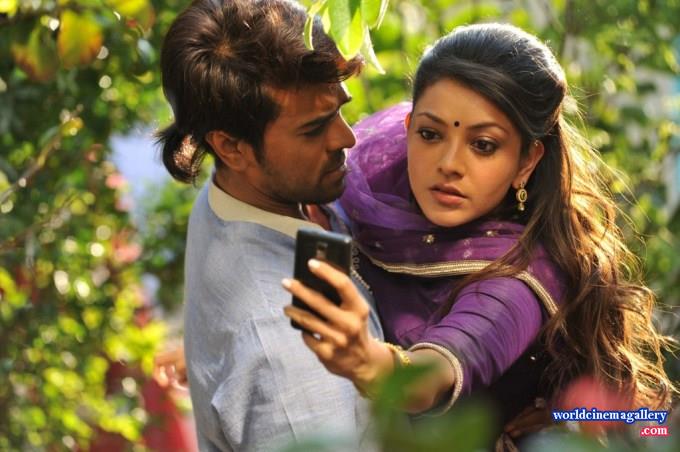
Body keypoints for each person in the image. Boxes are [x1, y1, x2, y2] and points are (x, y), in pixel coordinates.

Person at [283, 23, 675, 444]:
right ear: (408, 127)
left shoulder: (518, 280)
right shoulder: (372, 175)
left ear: (526, 161)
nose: (449, 164)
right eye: (430, 134)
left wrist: (369, 360)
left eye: (483, 145)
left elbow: (438, 371)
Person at [155, 1, 382, 450]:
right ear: (231, 147)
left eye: (340, 109)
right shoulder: (286, 352)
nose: (347, 137)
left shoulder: (232, 195)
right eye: (314, 128)